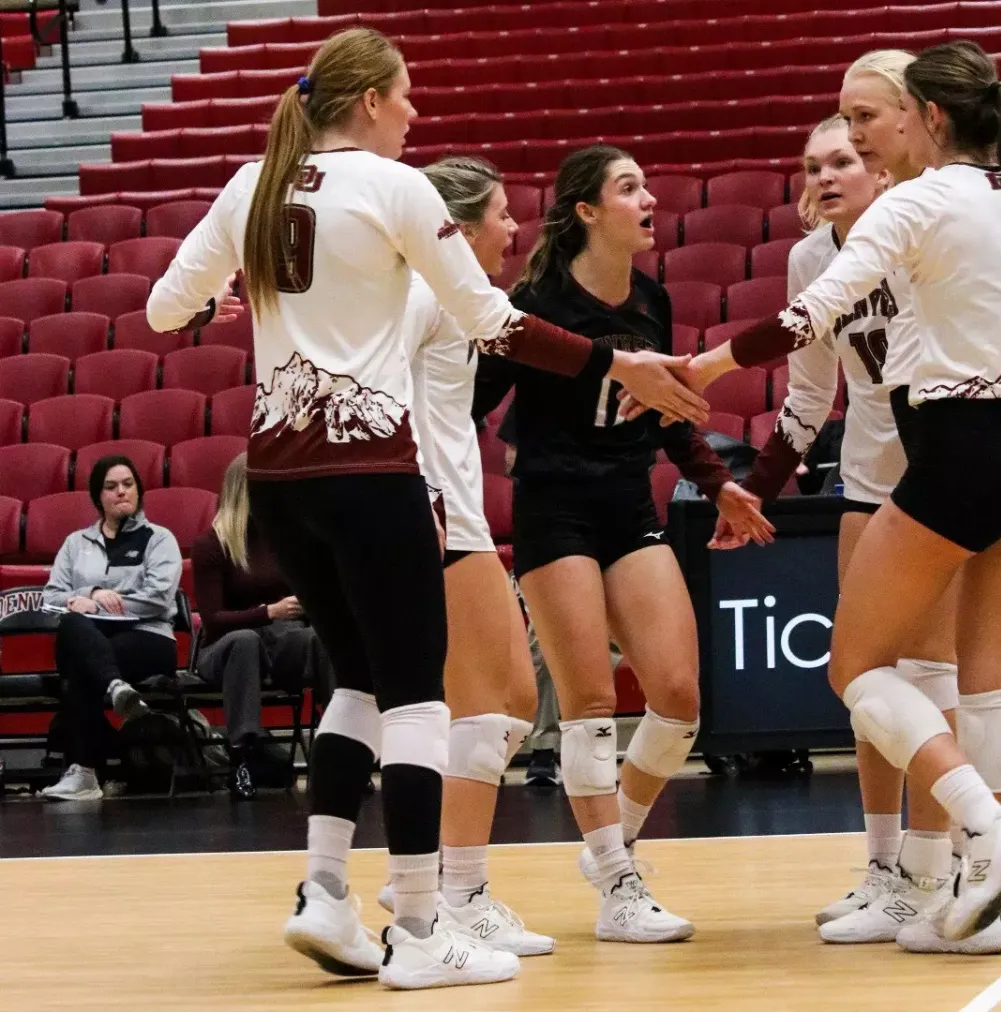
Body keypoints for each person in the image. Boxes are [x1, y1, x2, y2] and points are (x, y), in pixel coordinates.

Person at [144, 28, 707, 992]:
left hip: (280, 479)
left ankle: (325, 891)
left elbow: (162, 312)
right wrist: (619, 361)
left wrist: (215, 307)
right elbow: (494, 320)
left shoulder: (253, 184)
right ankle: (418, 925)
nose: (413, 113)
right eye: (405, 97)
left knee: (357, 684)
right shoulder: (394, 189)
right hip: (372, 472)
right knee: (417, 697)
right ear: (366, 101)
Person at [644, 40, 1001, 944]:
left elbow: (807, 317)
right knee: (985, 682)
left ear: (928, 117)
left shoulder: (918, 204)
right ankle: (987, 903)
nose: (860, 143)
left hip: (959, 450)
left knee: (858, 669)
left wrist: (699, 365)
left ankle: (989, 827)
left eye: (870, 120)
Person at [473, 143, 773, 944]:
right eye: (629, 187)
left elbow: (668, 405)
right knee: (591, 703)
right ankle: (618, 885)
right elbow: (470, 396)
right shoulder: (535, 300)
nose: (650, 200)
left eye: (647, 185)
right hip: (552, 508)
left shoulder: (651, 296)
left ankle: (614, 841)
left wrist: (718, 485)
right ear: (586, 211)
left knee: (678, 696)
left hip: (625, 500)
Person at [372, 155, 550, 956]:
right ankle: (452, 891)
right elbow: (379, 391)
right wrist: (415, 498)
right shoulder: (415, 293)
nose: (513, 230)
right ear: (458, 227)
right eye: (502, 216)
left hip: (456, 510)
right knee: (500, 703)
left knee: (495, 703)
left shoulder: (458, 298)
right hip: (434, 511)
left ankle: (443, 879)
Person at [39, 456, 182, 802]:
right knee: (74, 625)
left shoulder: (159, 539)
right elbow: (51, 597)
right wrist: (87, 594)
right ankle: (117, 687)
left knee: (82, 664)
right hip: (92, 638)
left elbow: (159, 599)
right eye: (111, 486)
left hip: (149, 638)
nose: (121, 492)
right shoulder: (76, 543)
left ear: (138, 490)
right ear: (98, 496)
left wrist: (99, 603)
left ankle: (85, 774)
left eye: (128, 484)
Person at [192, 452, 334, 801]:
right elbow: (213, 620)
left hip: (279, 643)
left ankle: (339, 748)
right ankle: (243, 756)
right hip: (224, 648)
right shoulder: (211, 545)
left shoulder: (288, 539)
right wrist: (267, 612)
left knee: (319, 638)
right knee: (244, 641)